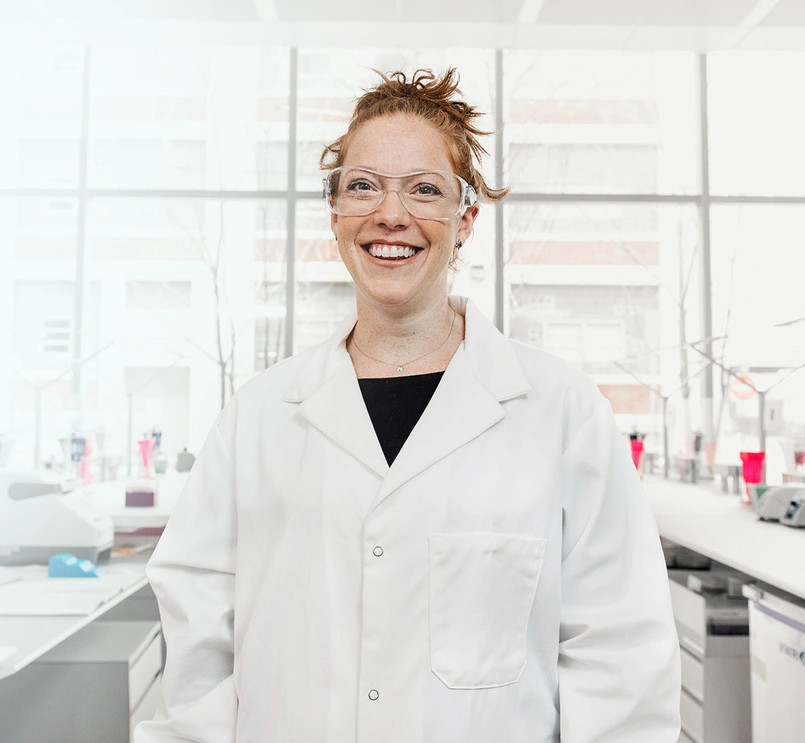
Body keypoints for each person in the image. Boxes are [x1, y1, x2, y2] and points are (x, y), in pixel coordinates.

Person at [134, 68, 681, 743]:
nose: (390, 214)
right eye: (362, 185)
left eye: (424, 190)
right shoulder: (259, 415)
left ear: (465, 218)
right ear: (333, 212)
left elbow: (619, 653)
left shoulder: (560, 411)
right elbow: (197, 643)